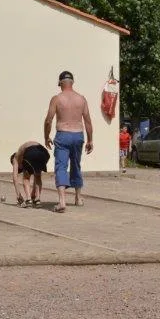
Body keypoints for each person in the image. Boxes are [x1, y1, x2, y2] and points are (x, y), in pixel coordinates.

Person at [44, 71, 93, 213]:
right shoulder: (81, 99)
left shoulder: (57, 99)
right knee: (76, 165)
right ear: (72, 82)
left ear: (60, 83)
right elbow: (88, 121)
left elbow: (48, 120)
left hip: (63, 134)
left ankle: (62, 201)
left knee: (60, 166)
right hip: (78, 135)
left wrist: (46, 136)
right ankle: (78, 198)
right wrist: (90, 140)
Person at [10, 141, 50, 208]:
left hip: (31, 152)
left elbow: (15, 178)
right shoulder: (22, 151)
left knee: (26, 178)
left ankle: (28, 200)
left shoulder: (15, 158)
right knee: (37, 176)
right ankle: (37, 200)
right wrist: (33, 193)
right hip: (44, 153)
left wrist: (18, 195)